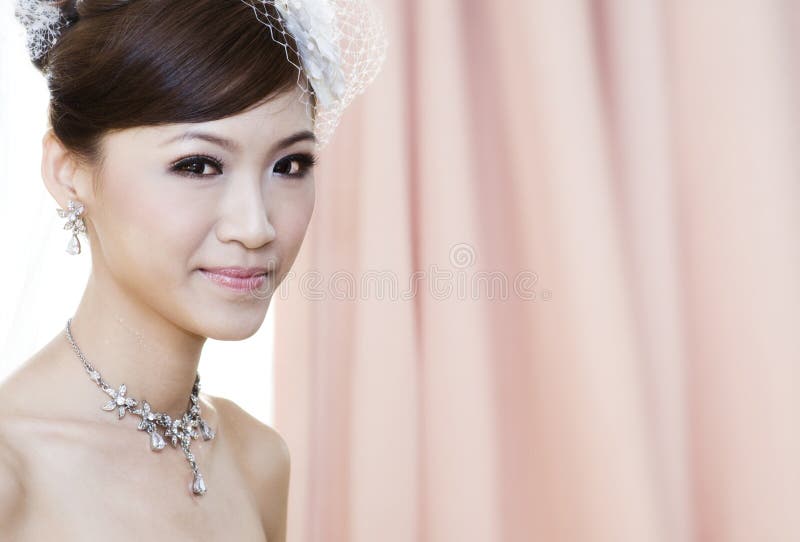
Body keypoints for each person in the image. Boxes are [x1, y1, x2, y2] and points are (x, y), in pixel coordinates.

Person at [0, 0, 386, 540]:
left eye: (289, 165)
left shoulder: (258, 460)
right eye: (198, 165)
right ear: (68, 172)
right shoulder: (12, 475)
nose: (255, 227)